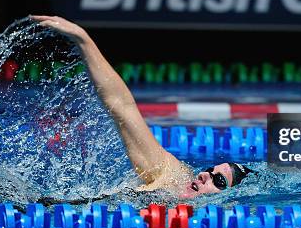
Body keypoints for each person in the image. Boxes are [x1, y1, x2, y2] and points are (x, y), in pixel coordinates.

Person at [28, 15, 254, 199]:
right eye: (211, 170)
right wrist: (83, 39)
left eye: (219, 181)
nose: (205, 175)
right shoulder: (172, 177)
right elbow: (122, 107)